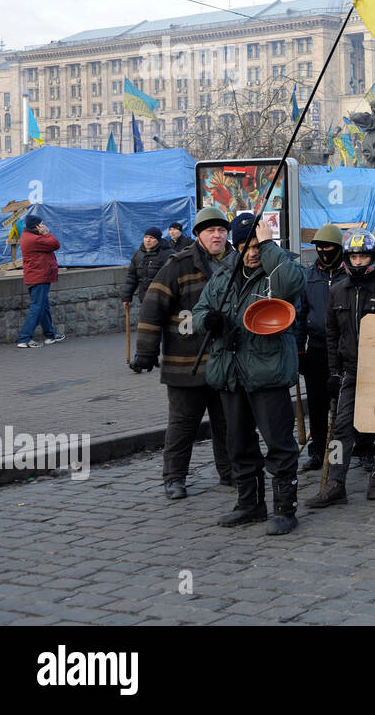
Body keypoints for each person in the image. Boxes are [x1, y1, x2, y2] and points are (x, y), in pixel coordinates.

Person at [194, 214, 306, 534]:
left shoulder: (277, 269)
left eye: (257, 245)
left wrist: (271, 244)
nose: (253, 252)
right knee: (239, 444)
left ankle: (285, 509)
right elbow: (200, 311)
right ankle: (250, 504)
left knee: (279, 444)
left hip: (267, 372)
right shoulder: (223, 275)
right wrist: (210, 322)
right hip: (231, 373)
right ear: (237, 245)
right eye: (246, 245)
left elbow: (290, 285)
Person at [132, 206, 234, 499]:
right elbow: (153, 308)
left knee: (228, 423)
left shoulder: (235, 263)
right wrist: (146, 351)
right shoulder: (177, 265)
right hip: (185, 362)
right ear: (198, 235)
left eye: (221, 230)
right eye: (210, 231)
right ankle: (174, 477)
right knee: (182, 425)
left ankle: (230, 472)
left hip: (224, 361)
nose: (217, 235)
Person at [307, 229, 375, 506]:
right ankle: (336, 483)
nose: (359, 261)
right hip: (351, 370)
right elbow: (331, 334)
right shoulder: (337, 291)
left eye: (363, 256)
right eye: (354, 256)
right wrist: (334, 371)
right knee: (341, 428)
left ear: (373, 257)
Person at [293, 224, 347, 473]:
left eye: (329, 247)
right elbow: (300, 315)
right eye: (320, 247)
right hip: (316, 349)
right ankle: (317, 451)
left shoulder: (348, 274)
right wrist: (299, 351)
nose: (324, 251)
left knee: (348, 403)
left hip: (345, 350)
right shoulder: (308, 275)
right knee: (316, 405)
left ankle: (360, 449)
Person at [16, 214, 64, 347]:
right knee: (37, 307)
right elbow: (55, 244)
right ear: (36, 226)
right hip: (39, 277)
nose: (44, 225)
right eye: (41, 223)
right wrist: (46, 233)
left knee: (43, 306)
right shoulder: (36, 239)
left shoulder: (27, 236)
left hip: (36, 276)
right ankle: (24, 338)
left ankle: (50, 335)